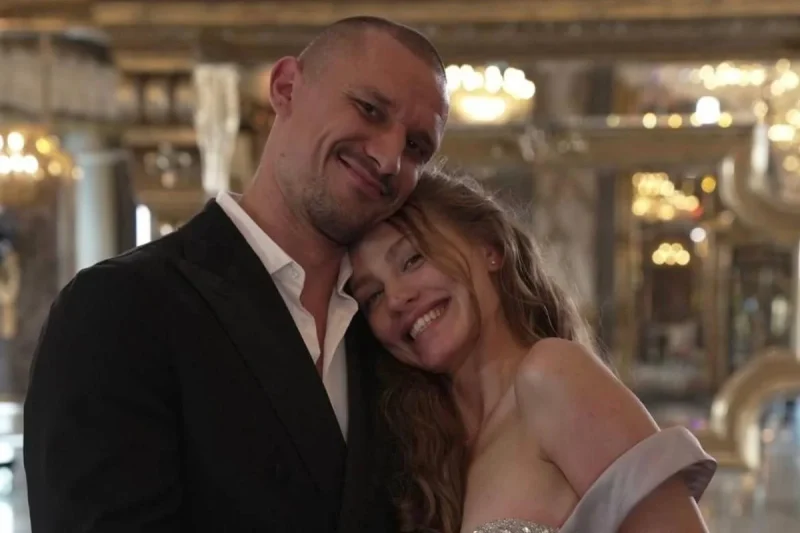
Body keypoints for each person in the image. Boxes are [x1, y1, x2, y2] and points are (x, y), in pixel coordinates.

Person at [24, 16, 449, 533]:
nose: (388, 159)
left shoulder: (393, 335)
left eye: (416, 147)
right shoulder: (119, 306)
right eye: (370, 109)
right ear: (286, 87)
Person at [348, 170, 717, 533]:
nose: (396, 298)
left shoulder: (551, 376)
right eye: (373, 295)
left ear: (490, 249)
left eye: (412, 260)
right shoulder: (421, 447)